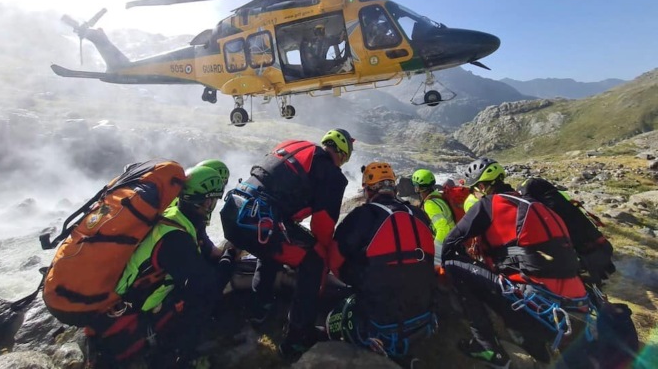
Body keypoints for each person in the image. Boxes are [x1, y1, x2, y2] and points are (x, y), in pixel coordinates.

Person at [442, 158, 589, 367]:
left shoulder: (489, 204)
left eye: (474, 190)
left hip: (536, 304)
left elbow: (450, 241)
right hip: (577, 301)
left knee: (452, 265)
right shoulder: (534, 203)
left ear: (482, 187)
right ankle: (535, 346)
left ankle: (487, 346)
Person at [220, 128, 354, 358]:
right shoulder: (331, 173)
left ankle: (259, 308)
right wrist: (326, 251)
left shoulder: (293, 146)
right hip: (260, 222)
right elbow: (322, 224)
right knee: (314, 259)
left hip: (236, 212)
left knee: (274, 247)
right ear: (342, 155)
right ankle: (297, 338)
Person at [89, 162, 233, 367]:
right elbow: (206, 285)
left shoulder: (172, 215)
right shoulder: (176, 238)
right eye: (212, 201)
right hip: (135, 305)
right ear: (206, 201)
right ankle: (179, 358)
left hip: (125, 294)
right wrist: (230, 258)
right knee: (202, 299)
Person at [327, 162, 437, 363]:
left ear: (368, 190)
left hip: (381, 322)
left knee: (333, 319)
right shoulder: (420, 215)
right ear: (394, 188)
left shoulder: (361, 216)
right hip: (423, 315)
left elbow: (334, 262)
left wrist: (360, 278)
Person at [412, 168, 455, 267]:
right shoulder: (437, 196)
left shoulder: (430, 204)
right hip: (453, 239)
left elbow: (443, 228)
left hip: (446, 242)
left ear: (417, 188)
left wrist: (436, 250)